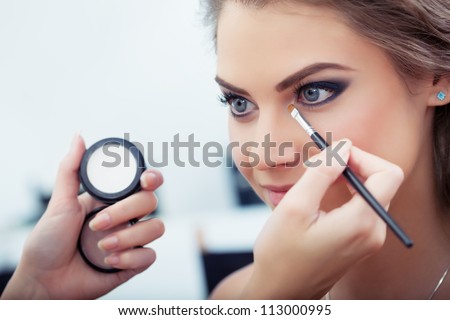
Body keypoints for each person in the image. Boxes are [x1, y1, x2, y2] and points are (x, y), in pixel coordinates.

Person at [2, 0, 450, 299]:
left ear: (437, 78)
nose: (263, 154)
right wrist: (36, 295)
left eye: (314, 92)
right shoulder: (236, 296)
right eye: (240, 103)